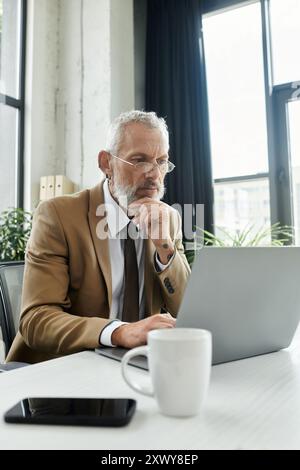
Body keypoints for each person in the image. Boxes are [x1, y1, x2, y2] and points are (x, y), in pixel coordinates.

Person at [6, 110, 190, 364]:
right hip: (66, 371)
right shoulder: (58, 215)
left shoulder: (168, 218)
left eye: (161, 161)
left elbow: (187, 312)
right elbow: (37, 320)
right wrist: (119, 332)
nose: (154, 175)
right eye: (139, 160)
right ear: (106, 163)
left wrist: (164, 247)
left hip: (136, 365)